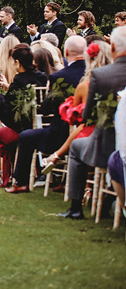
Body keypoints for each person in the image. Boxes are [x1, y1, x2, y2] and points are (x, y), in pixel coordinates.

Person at [5, 36, 86, 193]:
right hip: (88, 133)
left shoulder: (58, 77)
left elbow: (46, 110)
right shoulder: (93, 74)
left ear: (66, 51)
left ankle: (21, 182)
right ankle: (64, 181)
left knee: (26, 136)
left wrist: (48, 94)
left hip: (60, 135)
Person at [62, 26, 126, 219]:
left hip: (106, 145)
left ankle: (75, 208)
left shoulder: (101, 75)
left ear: (113, 46)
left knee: (75, 146)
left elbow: (88, 116)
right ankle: (107, 200)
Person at [43, 41, 112, 165]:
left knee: (82, 130)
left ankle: (58, 157)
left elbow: (74, 117)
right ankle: (56, 155)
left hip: (94, 136)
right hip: (115, 131)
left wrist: (67, 105)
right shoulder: (117, 82)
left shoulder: (85, 85)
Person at [0, 44, 48, 187]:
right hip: (43, 123)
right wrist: (8, 87)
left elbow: (8, 110)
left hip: (25, 126)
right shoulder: (41, 77)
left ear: (17, 62)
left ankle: (6, 175)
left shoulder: (20, 80)